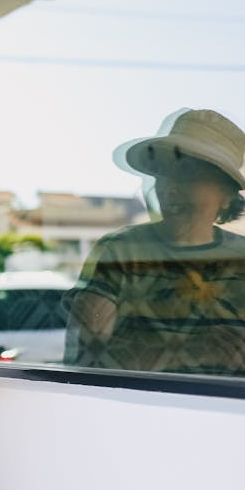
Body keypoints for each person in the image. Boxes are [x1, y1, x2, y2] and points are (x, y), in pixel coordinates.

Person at [64, 108, 245, 376]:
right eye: (164, 174)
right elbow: (87, 357)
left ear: (226, 195)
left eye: (188, 175)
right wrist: (199, 350)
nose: (169, 188)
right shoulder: (122, 250)